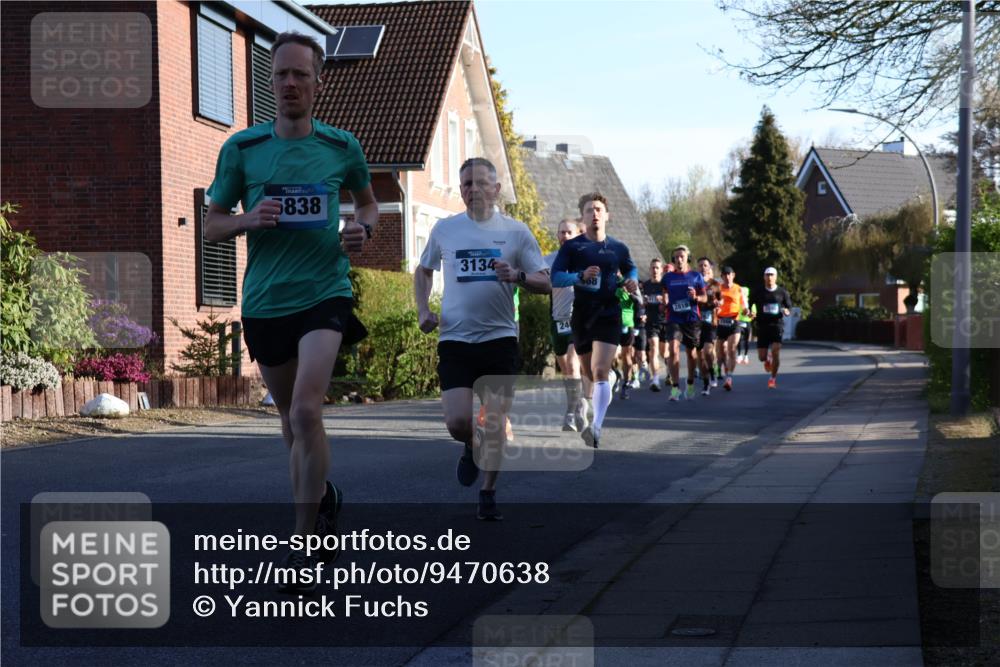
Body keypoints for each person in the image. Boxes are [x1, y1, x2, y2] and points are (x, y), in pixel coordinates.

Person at [204, 32, 377, 593]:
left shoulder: (341, 146)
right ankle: (323, 498)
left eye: (301, 74)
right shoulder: (243, 149)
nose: (290, 84)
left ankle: (303, 537)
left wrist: (363, 230)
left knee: (306, 412)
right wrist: (248, 219)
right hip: (265, 302)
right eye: (281, 75)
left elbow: (368, 203)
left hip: (325, 292)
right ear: (270, 81)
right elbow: (210, 225)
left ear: (317, 83)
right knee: (288, 420)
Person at [415, 157, 549, 520]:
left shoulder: (517, 232)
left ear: (496, 189)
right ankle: (470, 446)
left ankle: (488, 493)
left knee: (494, 423)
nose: (471, 190)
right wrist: (423, 309)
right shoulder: (445, 229)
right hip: (455, 339)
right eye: (465, 185)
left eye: (478, 183)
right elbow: (423, 270)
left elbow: (545, 281)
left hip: (500, 339)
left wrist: (517, 275)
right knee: (458, 422)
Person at [551, 192, 638, 448]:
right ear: (583, 217)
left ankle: (596, 427)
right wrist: (579, 276)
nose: (595, 213)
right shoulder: (572, 247)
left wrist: (631, 279)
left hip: (609, 312)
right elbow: (556, 277)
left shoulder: (618, 248)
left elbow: (631, 267)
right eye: (589, 210)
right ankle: (608, 379)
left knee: (598, 370)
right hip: (582, 315)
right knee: (589, 372)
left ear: (607, 215)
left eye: (599, 209)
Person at [545, 219, 590, 431]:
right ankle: (579, 402)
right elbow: (534, 275)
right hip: (557, 319)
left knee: (573, 365)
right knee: (566, 369)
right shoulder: (549, 259)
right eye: (561, 232)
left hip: (578, 318)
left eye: (568, 232)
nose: (564, 236)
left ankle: (571, 413)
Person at [661, 246, 707, 401]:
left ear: (688, 258)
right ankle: (675, 388)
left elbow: (705, 298)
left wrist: (696, 298)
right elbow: (664, 296)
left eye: (682, 256)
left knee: (691, 353)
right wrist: (663, 303)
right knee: (673, 350)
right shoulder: (667, 278)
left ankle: (690, 382)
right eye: (676, 257)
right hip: (674, 318)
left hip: (691, 318)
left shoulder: (696, 276)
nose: (679, 259)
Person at [750, 267, 793, 389]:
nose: (769, 277)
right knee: (761, 357)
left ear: (776, 277)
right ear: (764, 277)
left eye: (772, 275)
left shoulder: (782, 292)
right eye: (767, 275)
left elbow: (789, 306)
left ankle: (772, 379)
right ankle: (767, 359)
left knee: (776, 350)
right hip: (762, 325)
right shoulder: (758, 292)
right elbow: (749, 304)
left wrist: (787, 311)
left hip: (776, 325)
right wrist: (750, 312)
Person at [714, 266, 746, 391]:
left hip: (734, 321)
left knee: (732, 349)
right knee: (721, 351)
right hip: (721, 321)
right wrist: (716, 304)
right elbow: (713, 302)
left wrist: (746, 310)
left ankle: (729, 378)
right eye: (725, 275)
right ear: (722, 276)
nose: (727, 277)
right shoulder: (718, 288)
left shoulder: (738, 289)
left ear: (733, 275)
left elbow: (743, 305)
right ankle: (719, 367)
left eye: (729, 274)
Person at [641, 258, 670, 392]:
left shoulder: (665, 285)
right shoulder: (645, 285)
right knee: (653, 349)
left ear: (661, 270)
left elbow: (671, 303)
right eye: (652, 268)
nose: (654, 270)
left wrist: (664, 301)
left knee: (665, 353)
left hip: (665, 321)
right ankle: (655, 379)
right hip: (651, 322)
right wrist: (644, 303)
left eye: (657, 268)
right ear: (649, 270)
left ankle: (669, 372)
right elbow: (640, 303)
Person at [696, 257, 721, 396]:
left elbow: (720, 300)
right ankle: (706, 384)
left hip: (711, 322)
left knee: (707, 351)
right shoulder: (694, 283)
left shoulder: (715, 284)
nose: (702, 268)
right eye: (700, 265)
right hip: (696, 323)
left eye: (705, 265)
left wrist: (718, 305)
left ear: (710, 267)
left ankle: (712, 372)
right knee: (699, 355)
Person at [737, 285, 753, 364]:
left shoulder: (750, 302)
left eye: (744, 292)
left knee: (747, 340)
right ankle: (739, 355)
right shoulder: (738, 301)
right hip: (739, 321)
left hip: (748, 322)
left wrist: (751, 314)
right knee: (739, 339)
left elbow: (754, 312)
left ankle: (746, 356)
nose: (743, 294)